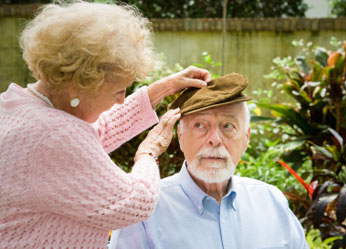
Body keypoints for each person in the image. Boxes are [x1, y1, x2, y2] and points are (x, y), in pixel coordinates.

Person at [0, 2, 210, 249]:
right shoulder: (56, 135)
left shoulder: (16, 106)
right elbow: (135, 203)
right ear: (79, 84)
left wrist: (160, 90)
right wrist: (148, 153)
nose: (121, 99)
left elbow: (94, 134)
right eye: (118, 91)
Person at [114, 73, 310, 249]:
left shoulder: (271, 202)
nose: (215, 139)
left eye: (228, 126)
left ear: (246, 138)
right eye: (200, 125)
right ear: (180, 135)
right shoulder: (143, 214)